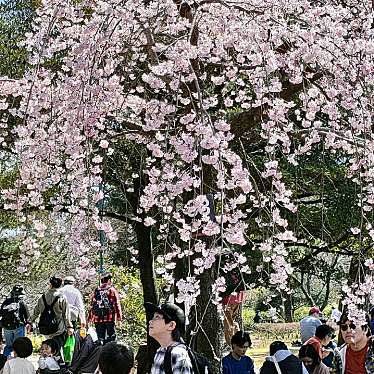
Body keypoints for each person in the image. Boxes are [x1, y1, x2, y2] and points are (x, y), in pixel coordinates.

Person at [144, 301, 193, 374]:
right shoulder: (160, 351)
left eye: (157, 317)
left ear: (171, 325)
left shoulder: (178, 354)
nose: (150, 321)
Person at [30, 276, 74, 351]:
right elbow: (66, 315)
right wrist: (69, 327)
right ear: (60, 285)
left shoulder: (42, 297)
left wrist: (30, 321)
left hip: (45, 329)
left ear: (50, 284)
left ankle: (47, 360)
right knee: (57, 350)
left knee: (48, 348)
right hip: (58, 329)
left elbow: (36, 312)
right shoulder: (62, 297)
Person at [88, 273, 122, 345]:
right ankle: (109, 353)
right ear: (109, 280)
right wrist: (119, 318)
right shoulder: (111, 290)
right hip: (109, 318)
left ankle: (101, 351)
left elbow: (92, 304)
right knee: (111, 337)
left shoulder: (97, 290)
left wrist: (90, 318)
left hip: (97, 318)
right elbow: (116, 304)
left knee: (100, 338)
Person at [0, 285, 30, 357]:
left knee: (8, 346)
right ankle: (19, 362)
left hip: (7, 328)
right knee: (19, 346)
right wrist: (29, 325)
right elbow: (27, 317)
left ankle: (4, 362)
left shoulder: (5, 302)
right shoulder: (21, 302)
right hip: (18, 327)